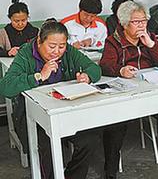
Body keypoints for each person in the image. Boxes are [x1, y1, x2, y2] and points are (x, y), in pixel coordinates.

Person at [99, 1, 158, 178]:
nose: (141, 25)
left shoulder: (149, 37)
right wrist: (121, 70)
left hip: (150, 89)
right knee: (115, 124)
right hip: (128, 92)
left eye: (144, 21)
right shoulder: (114, 41)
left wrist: (151, 44)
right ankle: (109, 170)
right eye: (136, 22)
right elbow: (105, 65)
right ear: (124, 23)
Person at [0, 19, 101, 179]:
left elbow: (94, 68)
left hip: (64, 110)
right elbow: (6, 87)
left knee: (90, 139)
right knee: (46, 147)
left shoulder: (68, 51)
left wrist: (87, 76)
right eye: (52, 46)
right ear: (39, 41)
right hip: (32, 116)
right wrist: (39, 76)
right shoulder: (26, 54)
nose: (57, 51)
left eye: (61, 46)